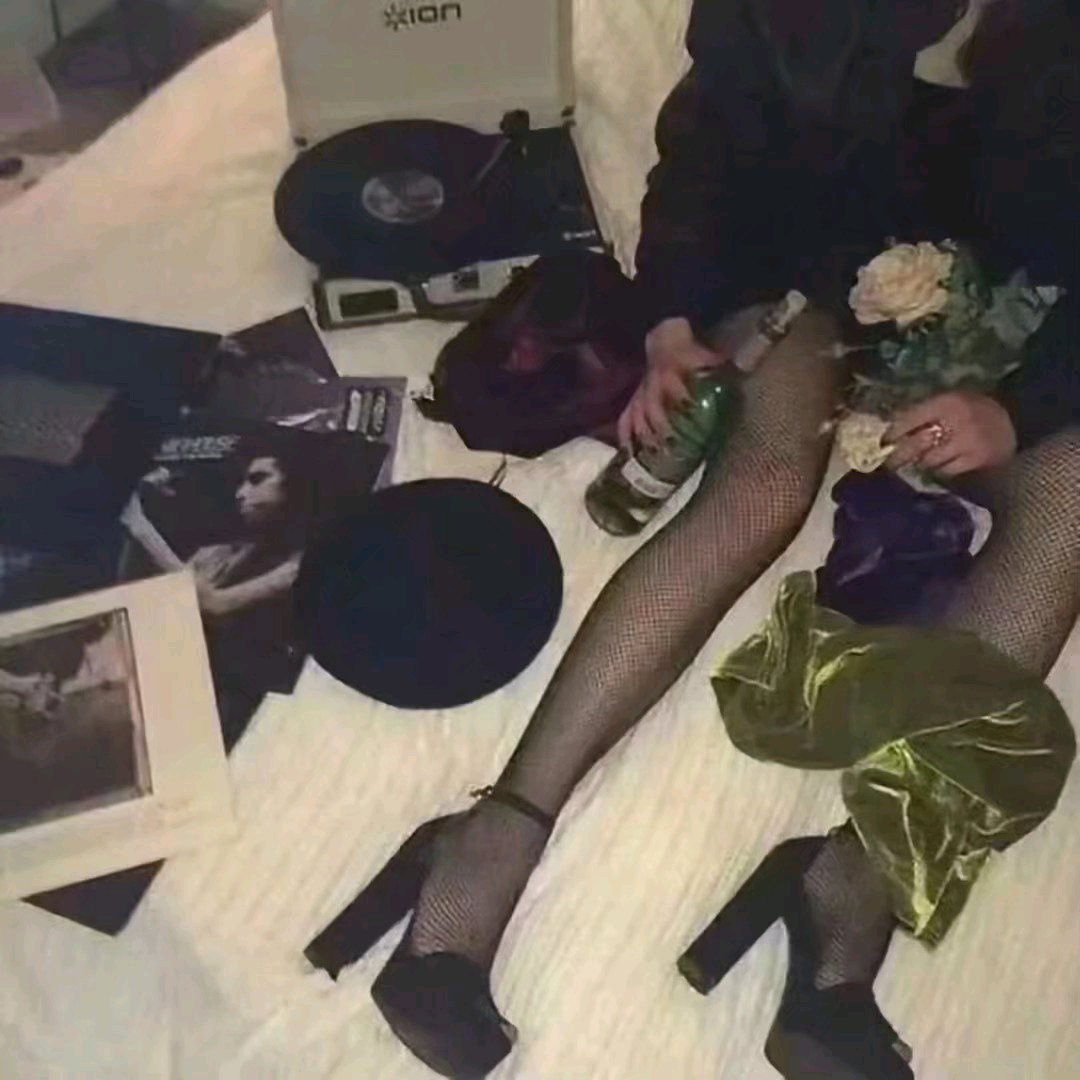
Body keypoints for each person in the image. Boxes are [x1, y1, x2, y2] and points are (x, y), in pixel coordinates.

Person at [330, 3, 1080, 1077]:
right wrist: (671, 324)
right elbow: (707, 153)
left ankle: (858, 875)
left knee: (1073, 491)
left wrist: (1019, 407)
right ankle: (491, 836)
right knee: (762, 485)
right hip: (805, 288)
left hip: (1019, 327)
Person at [120, 440, 308, 739]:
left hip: (240, 700)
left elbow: (215, 604)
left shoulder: (299, 563)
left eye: (258, 480)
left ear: (292, 487)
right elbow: (171, 596)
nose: (241, 493)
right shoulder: (222, 550)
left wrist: (142, 528)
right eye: (241, 482)